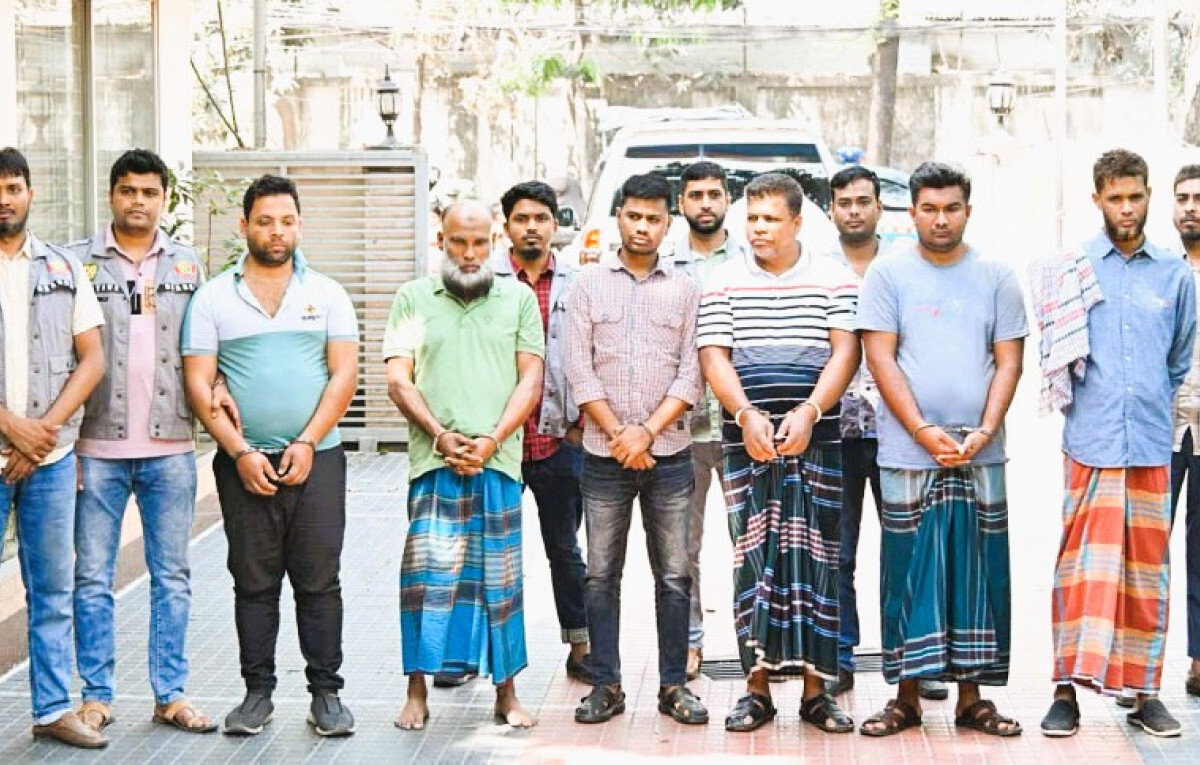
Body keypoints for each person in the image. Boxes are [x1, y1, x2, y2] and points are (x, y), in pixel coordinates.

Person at [182, 174, 359, 738]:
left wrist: (307, 441)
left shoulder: (328, 294)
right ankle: (256, 695)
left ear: (299, 226)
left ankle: (326, 695)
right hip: (245, 465)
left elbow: (344, 376)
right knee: (253, 582)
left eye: (286, 221)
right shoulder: (213, 298)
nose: (276, 231)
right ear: (245, 226)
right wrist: (238, 452)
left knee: (318, 580)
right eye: (264, 221)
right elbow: (199, 383)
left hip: (319, 460)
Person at [857, 162, 1026, 738]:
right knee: (907, 572)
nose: (940, 219)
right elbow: (880, 359)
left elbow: (1008, 361)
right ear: (912, 212)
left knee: (979, 571)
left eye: (951, 208)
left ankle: (972, 699)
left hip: (981, 451)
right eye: (929, 209)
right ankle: (905, 698)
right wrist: (922, 430)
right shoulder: (887, 275)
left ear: (968, 211)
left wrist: (986, 429)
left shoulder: (997, 276)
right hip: (909, 453)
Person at [1040, 149, 1196, 738]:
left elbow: (1178, 358)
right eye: (1115, 198)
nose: (1126, 208)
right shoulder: (1075, 268)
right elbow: (1058, 353)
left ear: (1148, 196)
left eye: (1135, 197)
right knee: (1079, 572)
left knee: (1146, 575)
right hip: (1091, 443)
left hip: (1152, 445)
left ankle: (1144, 693)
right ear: (1097, 199)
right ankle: (1064, 691)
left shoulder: (1174, 274)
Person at [698, 172, 859, 734]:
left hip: (819, 438)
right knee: (753, 562)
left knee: (820, 562)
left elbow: (846, 353)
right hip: (747, 443)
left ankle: (818, 692)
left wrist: (810, 411)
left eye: (771, 218)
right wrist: (745, 415)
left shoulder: (834, 278)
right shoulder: (723, 280)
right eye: (752, 218)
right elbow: (714, 356)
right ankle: (756, 690)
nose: (759, 229)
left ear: (796, 221)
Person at [69, 149, 217, 736]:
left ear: (164, 199)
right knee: (92, 577)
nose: (138, 201)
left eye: (149, 192)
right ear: (111, 195)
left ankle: (170, 694)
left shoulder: (187, 264)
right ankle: (96, 696)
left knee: (172, 576)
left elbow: (206, 348)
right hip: (96, 446)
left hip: (171, 445)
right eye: (128, 190)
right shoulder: (77, 263)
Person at [387, 200, 544, 730]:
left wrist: (492, 440)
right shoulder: (413, 298)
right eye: (459, 242)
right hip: (434, 462)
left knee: (501, 581)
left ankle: (507, 693)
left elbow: (530, 379)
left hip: (497, 462)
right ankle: (416, 692)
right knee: (425, 579)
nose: (470, 253)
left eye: (479, 243)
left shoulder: (518, 298)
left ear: (494, 242)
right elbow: (399, 380)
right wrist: (440, 435)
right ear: (442, 241)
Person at [566, 174, 707, 726]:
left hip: (669, 455)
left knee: (673, 575)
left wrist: (645, 432)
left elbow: (693, 373)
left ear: (668, 223)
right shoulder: (586, 285)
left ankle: (674, 685)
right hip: (604, 460)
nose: (642, 227)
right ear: (618, 217)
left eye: (653, 218)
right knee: (601, 575)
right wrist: (620, 436)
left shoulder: (687, 289)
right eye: (633, 216)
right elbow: (578, 369)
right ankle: (606, 685)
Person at [0, 146, 106, 747]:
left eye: (13, 188)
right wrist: (11, 426)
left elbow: (92, 360)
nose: (4, 200)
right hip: (15, 445)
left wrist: (40, 433)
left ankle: (53, 710)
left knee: (52, 590)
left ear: (30, 194)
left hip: (51, 460)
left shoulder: (64, 268)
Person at [492, 181, 591, 683]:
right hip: (499, 440)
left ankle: (581, 645)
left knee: (565, 550)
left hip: (559, 438)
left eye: (541, 218)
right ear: (506, 225)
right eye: (521, 219)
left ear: (555, 224)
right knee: (489, 549)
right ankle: (475, 654)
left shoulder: (580, 282)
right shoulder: (485, 280)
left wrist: (580, 424)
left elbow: (595, 352)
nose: (531, 227)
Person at [670, 160, 749, 680]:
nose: (705, 203)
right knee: (683, 547)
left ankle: (755, 645)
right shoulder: (666, 264)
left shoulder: (748, 260)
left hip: (744, 425)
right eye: (695, 195)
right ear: (681, 203)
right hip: (684, 427)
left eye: (714, 194)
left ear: (727, 200)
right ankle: (690, 642)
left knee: (752, 541)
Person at [1171, 163, 1200, 699]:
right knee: (1145, 549)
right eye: (1183, 199)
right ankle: (1136, 673)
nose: (1192, 207)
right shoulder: (1160, 270)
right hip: (1163, 427)